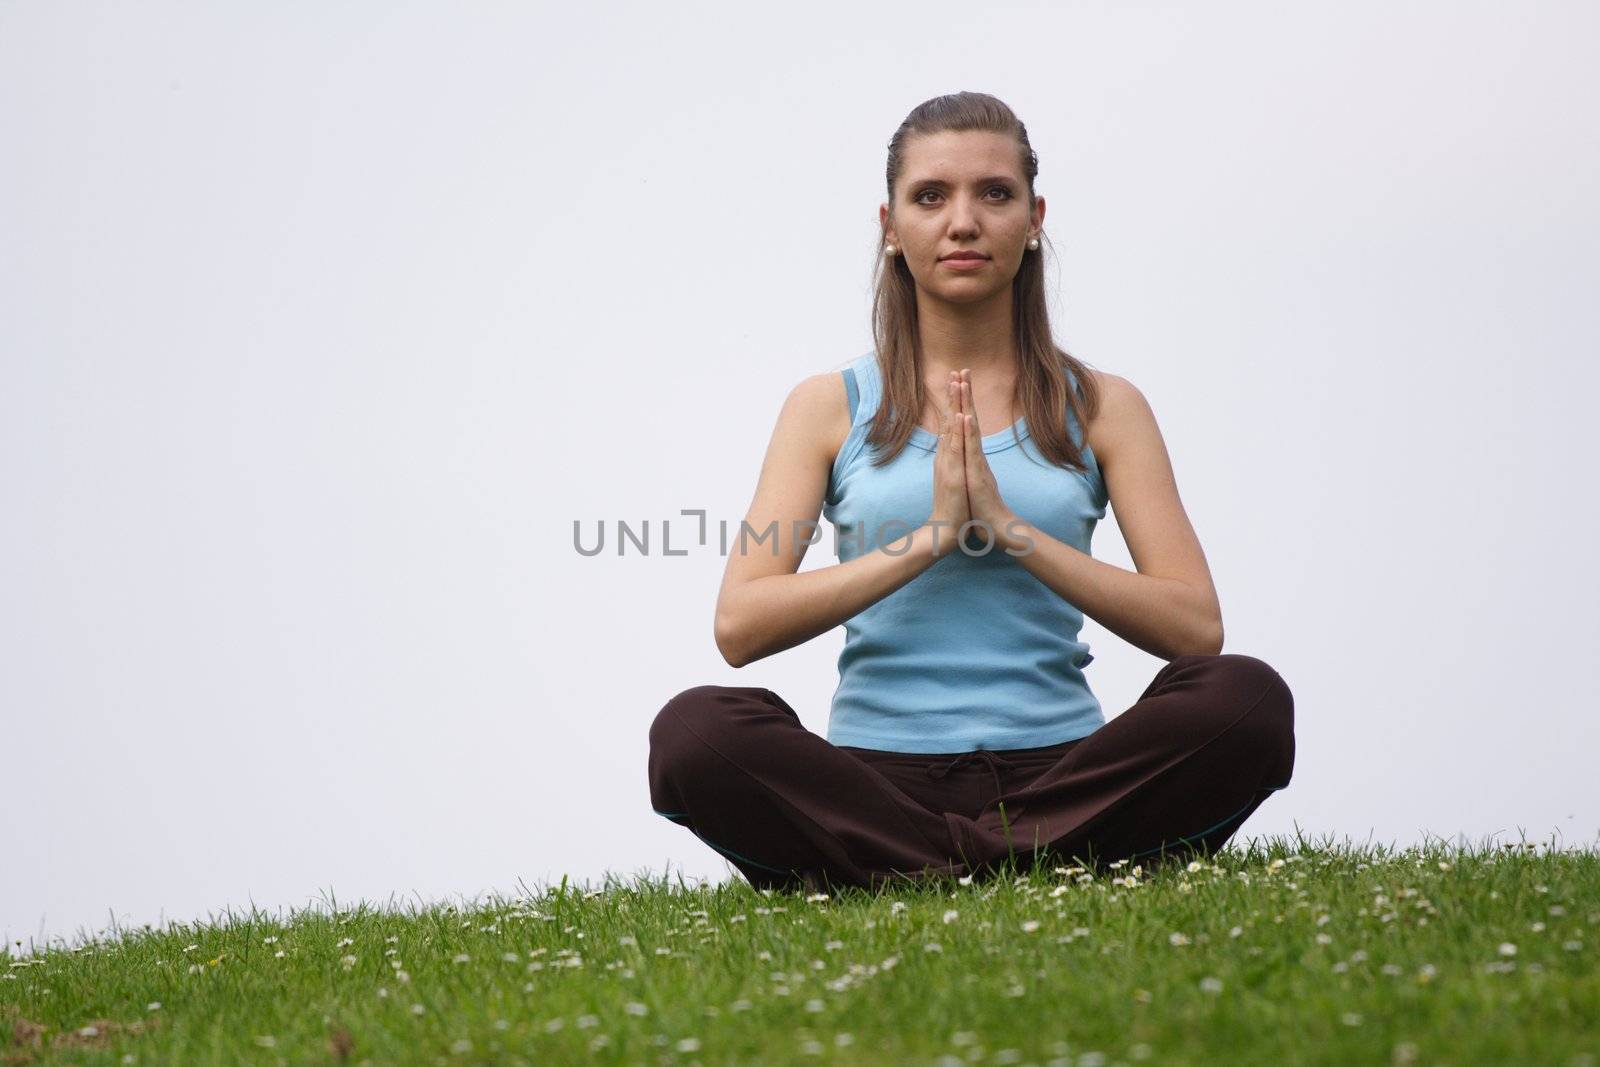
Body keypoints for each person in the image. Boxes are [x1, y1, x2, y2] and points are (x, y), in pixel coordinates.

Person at [648, 91, 1294, 895]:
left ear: (1033, 219)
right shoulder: (827, 405)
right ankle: (1022, 865)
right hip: (876, 784)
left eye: (994, 193)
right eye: (930, 196)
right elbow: (740, 624)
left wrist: (1011, 530)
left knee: (1247, 700)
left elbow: (1196, 628)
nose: (963, 221)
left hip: (1062, 778)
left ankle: (919, 865)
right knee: (694, 731)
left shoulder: (1103, 406)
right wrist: (931, 537)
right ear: (889, 226)